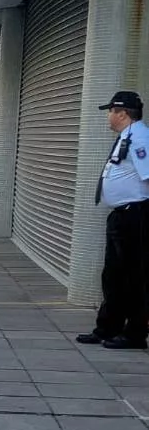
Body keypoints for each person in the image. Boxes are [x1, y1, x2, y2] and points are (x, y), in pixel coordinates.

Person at [77, 91, 149, 350]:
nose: (108, 116)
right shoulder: (127, 136)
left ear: (122, 113)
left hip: (135, 215)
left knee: (134, 276)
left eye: (111, 111)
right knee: (113, 276)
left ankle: (135, 334)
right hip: (122, 215)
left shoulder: (140, 138)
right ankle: (108, 328)